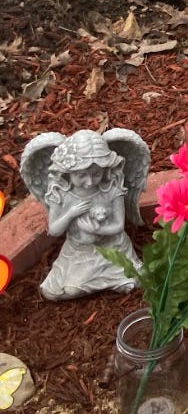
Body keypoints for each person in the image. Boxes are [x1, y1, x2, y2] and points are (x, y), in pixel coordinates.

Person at [20, 129, 149, 300]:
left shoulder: (112, 189)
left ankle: (117, 278)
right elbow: (55, 230)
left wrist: (97, 230)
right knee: (58, 291)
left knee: (139, 278)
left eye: (96, 174)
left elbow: (118, 226)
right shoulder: (60, 194)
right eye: (81, 175)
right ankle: (101, 281)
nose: (89, 182)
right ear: (67, 172)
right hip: (79, 251)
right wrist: (71, 214)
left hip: (113, 246)